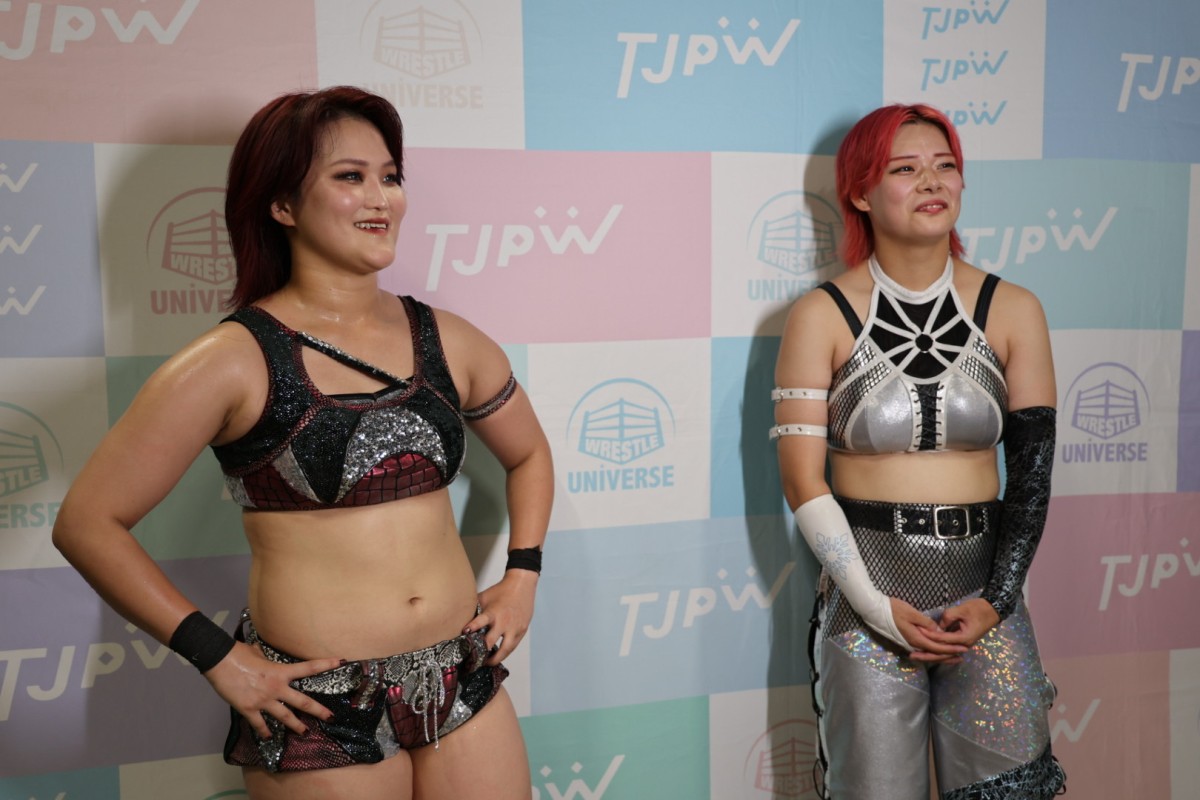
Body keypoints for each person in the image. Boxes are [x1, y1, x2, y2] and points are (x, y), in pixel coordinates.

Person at [52, 86, 553, 799]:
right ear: (282, 204)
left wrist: (523, 575)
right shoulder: (232, 361)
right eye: (350, 176)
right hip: (317, 705)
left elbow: (529, 454)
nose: (380, 198)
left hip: (457, 677)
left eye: (390, 176)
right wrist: (219, 657)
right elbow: (87, 523)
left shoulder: (449, 340)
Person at [772, 104, 1066, 799]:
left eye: (945, 165)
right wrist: (875, 607)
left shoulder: (1015, 309)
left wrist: (996, 600)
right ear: (860, 193)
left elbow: (1031, 477)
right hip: (866, 602)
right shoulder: (820, 315)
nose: (932, 181)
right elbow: (802, 482)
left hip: (985, 602)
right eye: (904, 169)